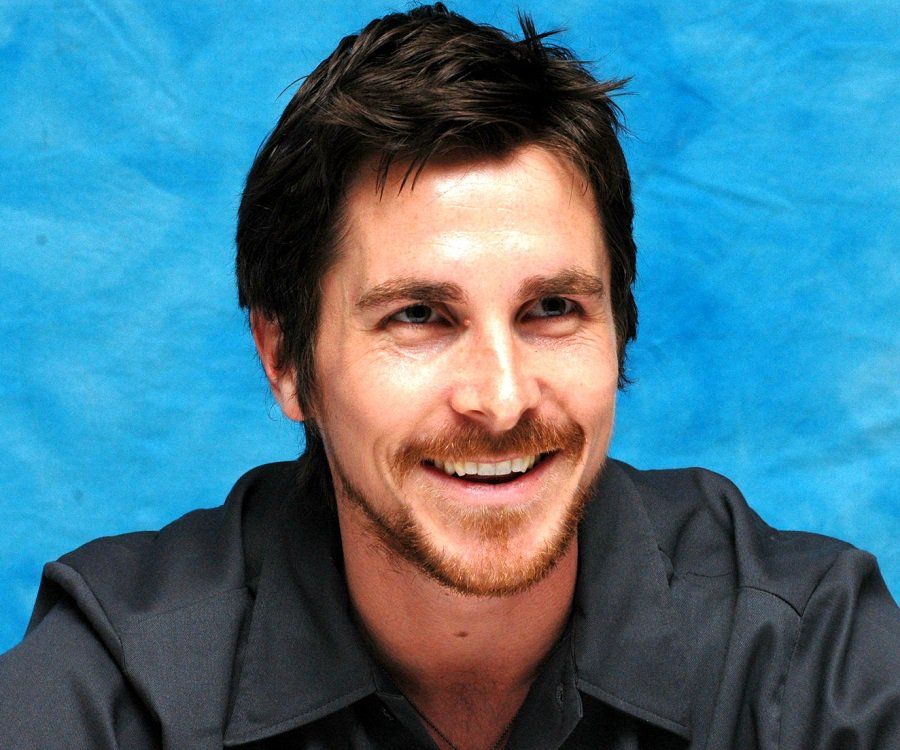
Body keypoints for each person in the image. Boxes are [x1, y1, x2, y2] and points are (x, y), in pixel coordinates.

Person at [0, 4, 897, 748]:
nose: (501, 400)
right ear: (285, 362)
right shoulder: (123, 690)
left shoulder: (808, 661)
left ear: (618, 331)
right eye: (419, 316)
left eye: (552, 309)